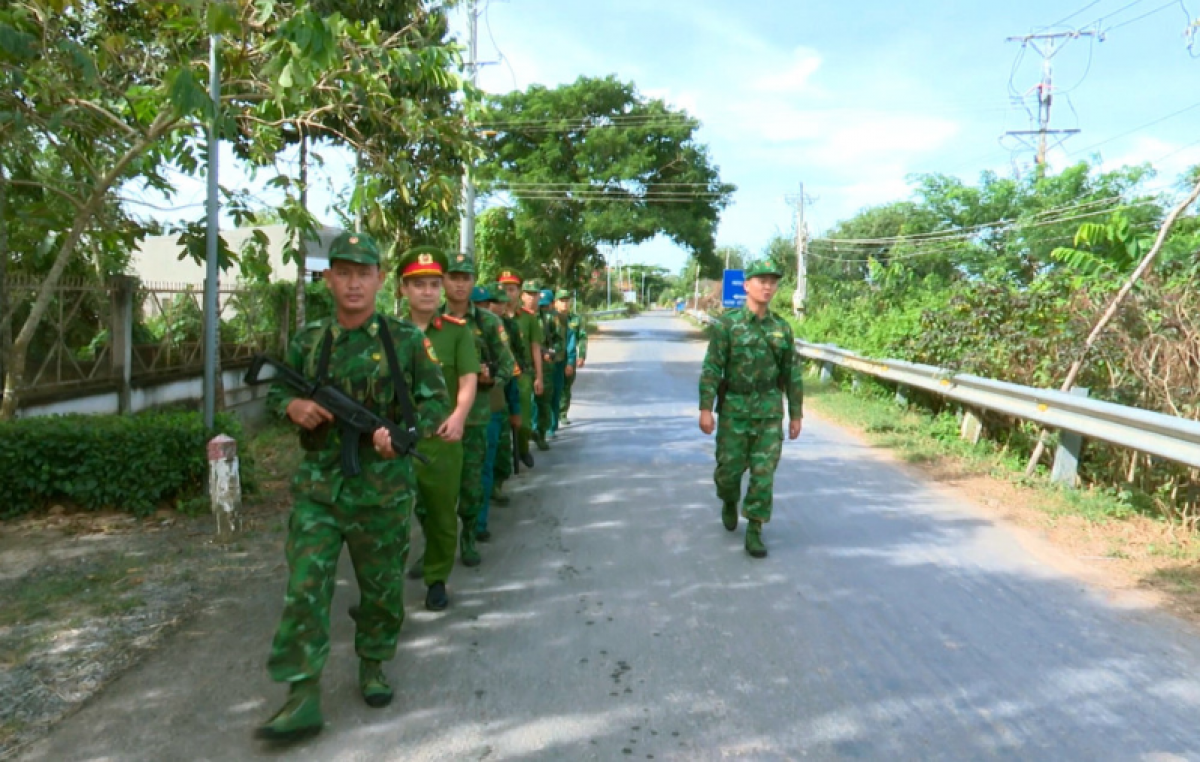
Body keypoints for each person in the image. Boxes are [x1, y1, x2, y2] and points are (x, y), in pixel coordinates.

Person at [258, 232, 449, 741]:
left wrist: (402, 437)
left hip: (383, 491)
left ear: (380, 280)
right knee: (304, 588)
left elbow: (434, 403)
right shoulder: (309, 340)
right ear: (327, 279)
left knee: (382, 590)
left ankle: (373, 662)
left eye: (364, 273)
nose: (353, 283)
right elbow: (277, 389)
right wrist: (291, 407)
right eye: (343, 272)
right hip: (319, 490)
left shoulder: (405, 341)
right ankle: (300, 696)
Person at [697, 258, 804, 559]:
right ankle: (729, 499)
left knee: (764, 472)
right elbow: (711, 369)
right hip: (734, 408)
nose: (768, 286)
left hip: (769, 410)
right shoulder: (727, 324)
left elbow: (792, 374)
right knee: (728, 471)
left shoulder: (781, 328)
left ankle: (755, 529)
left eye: (772, 281)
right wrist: (706, 408)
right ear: (747, 285)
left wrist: (796, 413)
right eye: (761, 280)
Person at [397, 245, 478, 611]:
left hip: (441, 441)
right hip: (394, 442)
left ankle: (436, 580)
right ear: (403, 289)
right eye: (418, 285)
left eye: (433, 284)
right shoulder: (387, 333)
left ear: (442, 288)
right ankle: (383, 590)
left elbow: (467, 378)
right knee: (393, 518)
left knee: (443, 514)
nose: (427, 291)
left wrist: (459, 415)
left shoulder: (457, 333)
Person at [442, 255, 514, 564]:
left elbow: (509, 365)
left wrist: (490, 379)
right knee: (432, 493)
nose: (460, 284)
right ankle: (435, 548)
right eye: (454, 277)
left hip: (474, 418)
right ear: (444, 280)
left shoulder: (488, 322)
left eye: (466, 278)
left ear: (473, 282)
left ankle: (469, 537)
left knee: (471, 485)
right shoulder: (429, 317)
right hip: (434, 417)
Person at [476, 283, 519, 539]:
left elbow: (510, 368)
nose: (487, 309)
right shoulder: (443, 325)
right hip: (449, 414)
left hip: (489, 407)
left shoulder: (495, 328)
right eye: (480, 304)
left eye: (487, 304)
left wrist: (492, 378)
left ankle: (477, 527)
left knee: (484, 467)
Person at [492, 272, 530, 506]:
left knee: (506, 438)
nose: (499, 304)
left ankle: (498, 480)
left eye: (509, 291)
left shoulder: (510, 326)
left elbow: (519, 355)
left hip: (509, 382)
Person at [516, 278, 547, 454]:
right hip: (507, 372)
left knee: (529, 416)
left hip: (529, 370)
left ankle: (527, 443)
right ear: (523, 296)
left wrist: (539, 376)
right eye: (529, 294)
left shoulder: (540, 317)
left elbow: (536, 348)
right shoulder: (500, 317)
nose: (532, 298)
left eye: (535, 294)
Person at [534, 287, 565, 446]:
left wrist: (552, 354)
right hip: (526, 365)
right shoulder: (524, 317)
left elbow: (560, 341)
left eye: (546, 306)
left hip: (546, 365)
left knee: (545, 400)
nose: (543, 309)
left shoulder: (552, 319)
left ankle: (543, 431)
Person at [555, 289, 587, 426]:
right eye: (561, 301)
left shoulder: (575, 319)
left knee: (566, 386)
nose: (565, 304)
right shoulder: (551, 318)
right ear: (555, 302)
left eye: (567, 301)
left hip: (570, 358)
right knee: (554, 386)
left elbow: (582, 338)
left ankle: (562, 413)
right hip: (554, 358)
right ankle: (553, 414)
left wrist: (581, 356)